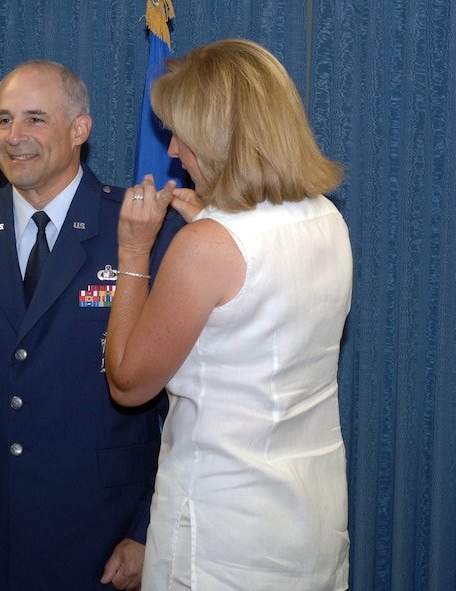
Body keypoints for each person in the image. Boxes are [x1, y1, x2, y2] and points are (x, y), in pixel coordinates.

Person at [0, 60, 182, 591]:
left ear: (80, 130)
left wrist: (148, 527)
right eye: (4, 120)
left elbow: (181, 408)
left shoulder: (142, 231)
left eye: (34, 119)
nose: (14, 138)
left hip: (101, 534)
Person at [104, 39, 352, 589]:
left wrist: (133, 254)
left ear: (219, 138)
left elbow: (127, 383)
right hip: (308, 520)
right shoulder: (328, 219)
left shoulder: (208, 248)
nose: (172, 150)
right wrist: (211, 231)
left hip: (220, 535)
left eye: (180, 132)